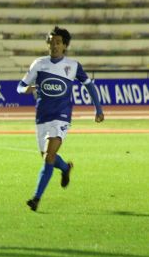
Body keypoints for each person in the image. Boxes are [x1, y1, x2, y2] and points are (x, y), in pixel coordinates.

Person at [17, 26, 104, 212]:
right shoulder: (38, 64)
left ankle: (36, 199)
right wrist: (27, 89)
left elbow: (89, 86)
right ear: (48, 44)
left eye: (58, 42)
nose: (54, 45)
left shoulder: (73, 66)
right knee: (48, 157)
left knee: (48, 156)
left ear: (65, 46)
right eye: (51, 42)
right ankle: (65, 168)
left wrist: (98, 109)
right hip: (42, 117)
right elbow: (19, 87)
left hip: (62, 117)